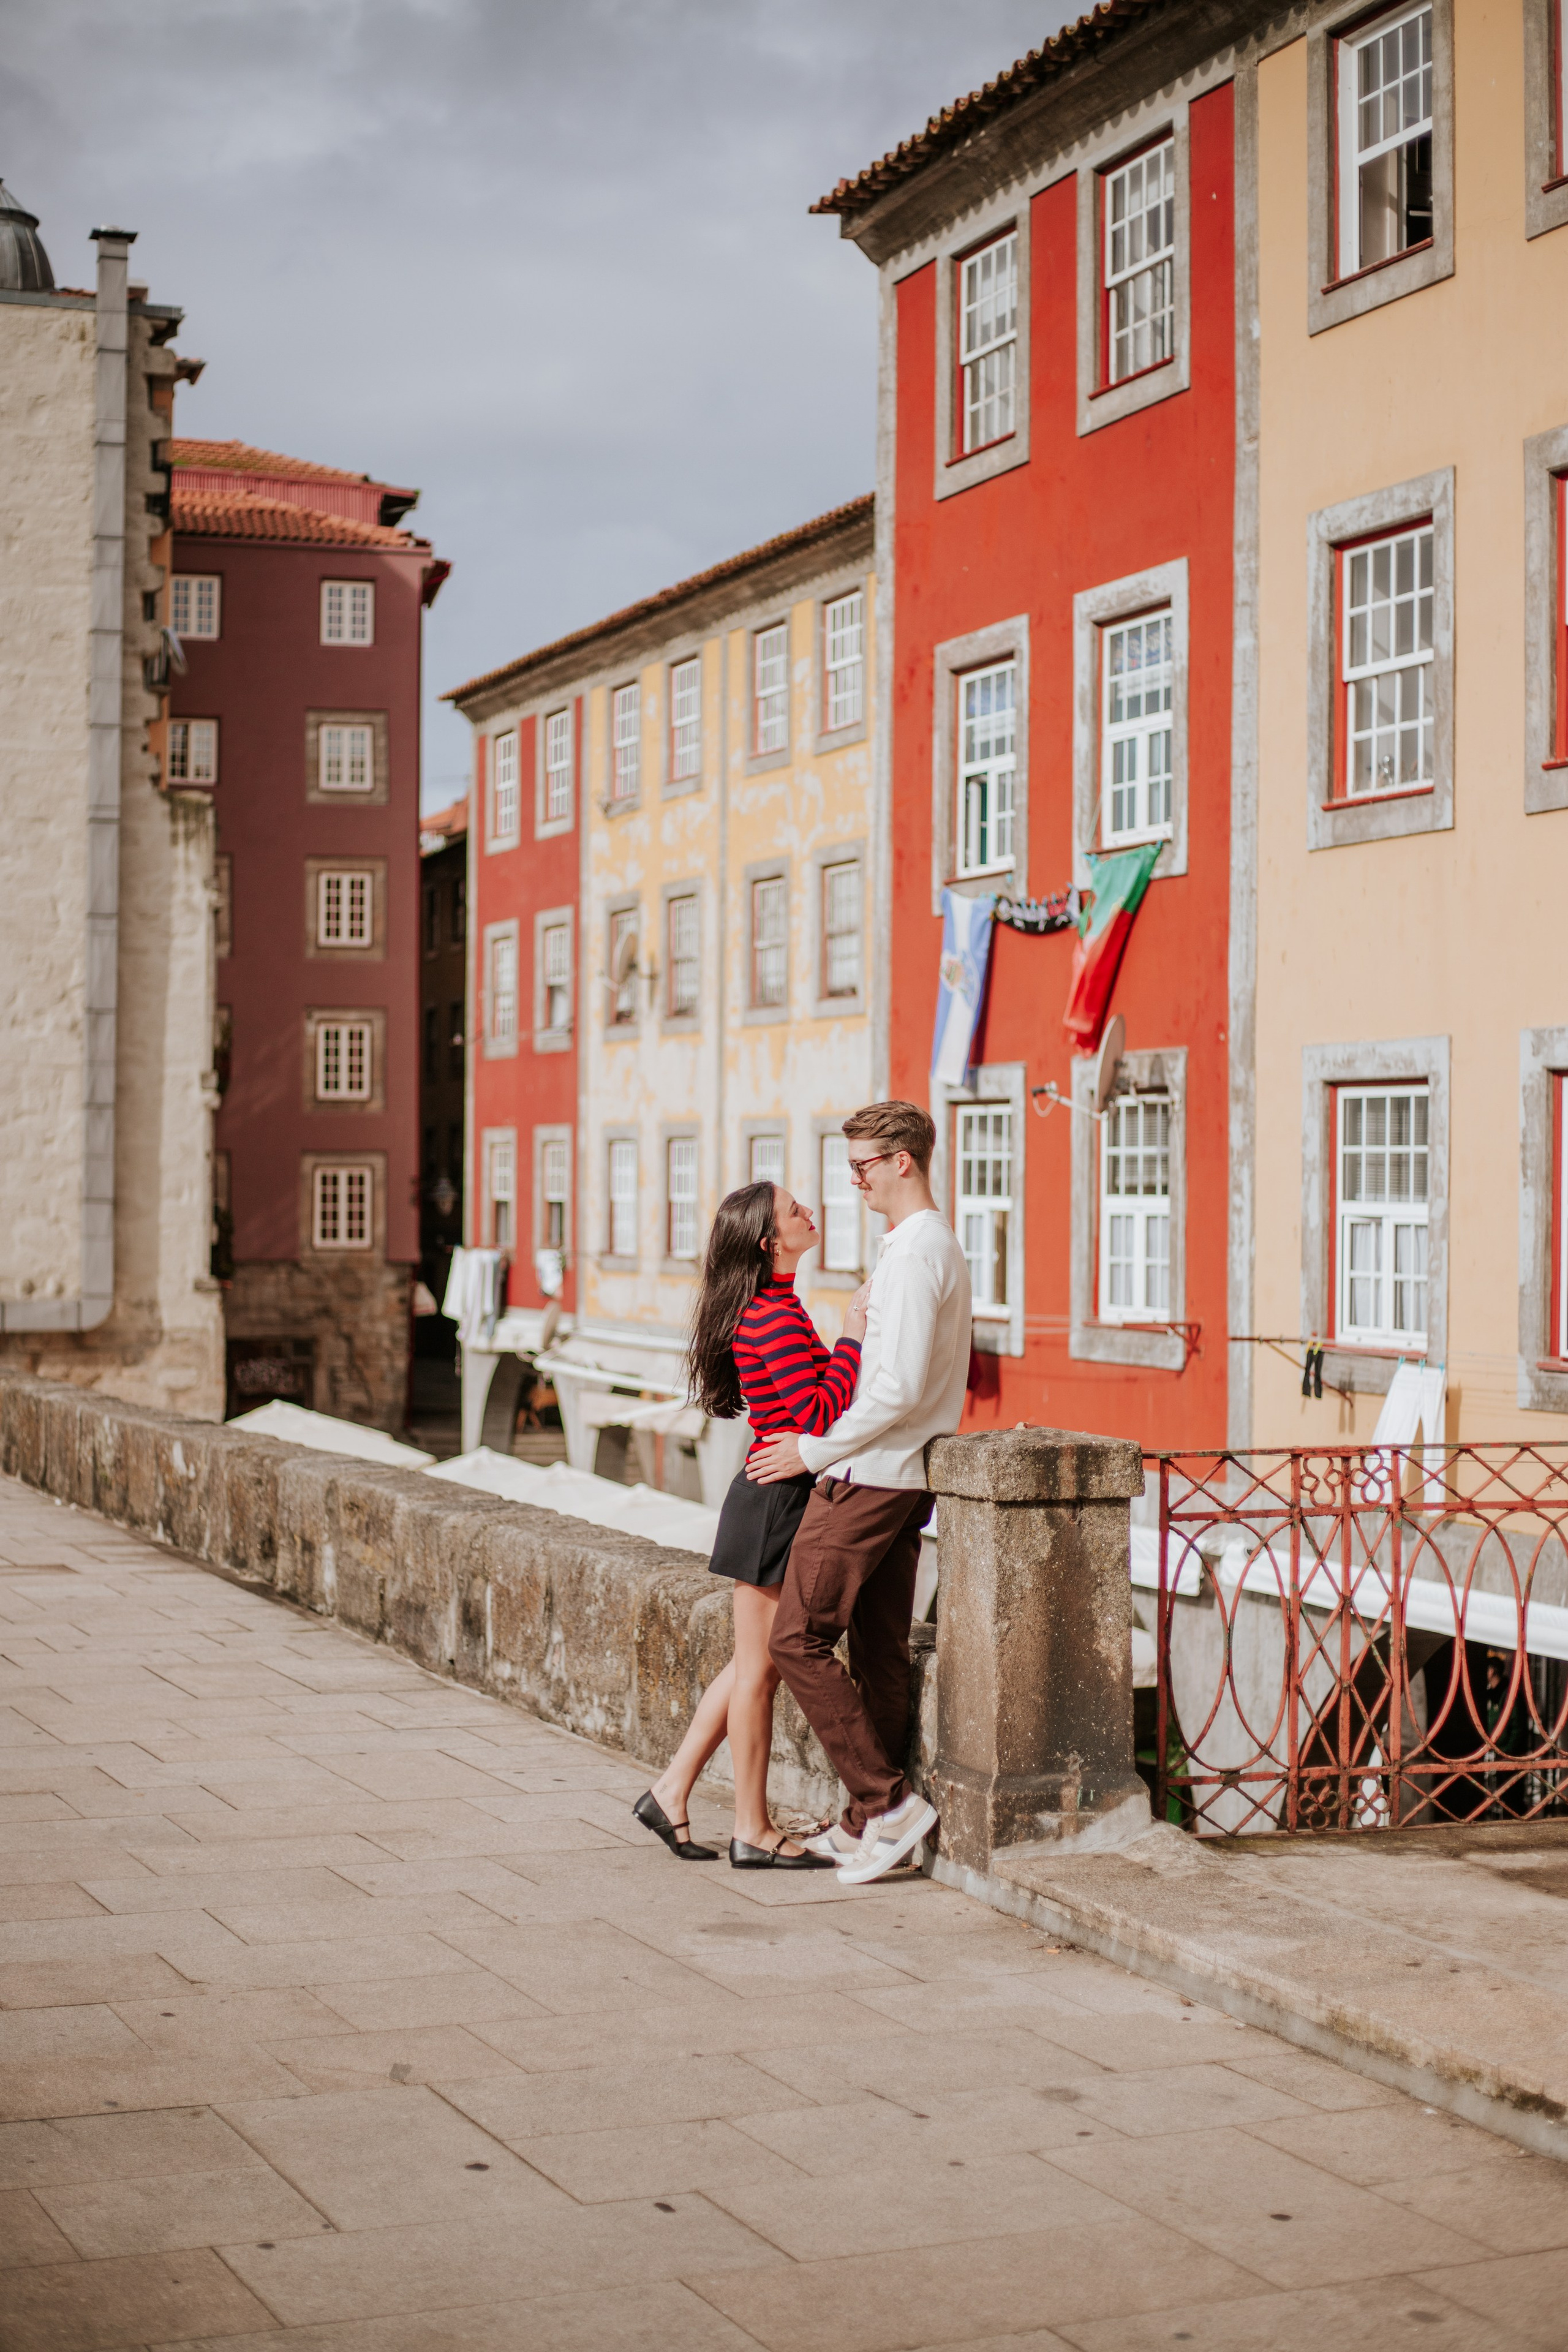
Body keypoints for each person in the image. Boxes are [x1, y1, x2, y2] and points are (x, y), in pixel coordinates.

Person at [750, 1101, 971, 1887]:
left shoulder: (915, 1253)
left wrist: (812, 1450)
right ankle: (861, 1822)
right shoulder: (922, 1245)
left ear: (902, 1161)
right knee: (878, 1651)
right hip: (902, 1478)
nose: (854, 1182)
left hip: (871, 1474)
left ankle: (887, 1806)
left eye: (862, 1166)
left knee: (795, 1639)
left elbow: (897, 1387)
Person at [631, 1180, 870, 1869]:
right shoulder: (771, 1317)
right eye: (796, 1210)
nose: (810, 1211)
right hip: (774, 1505)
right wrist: (854, 1332)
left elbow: (812, 1402)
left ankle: (671, 1791)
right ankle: (751, 1829)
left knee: (749, 1665)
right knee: (759, 1675)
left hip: (770, 1498)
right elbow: (821, 1415)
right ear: (771, 1243)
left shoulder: (776, 1306)